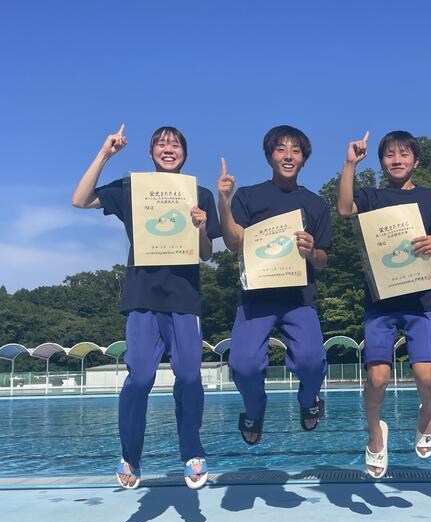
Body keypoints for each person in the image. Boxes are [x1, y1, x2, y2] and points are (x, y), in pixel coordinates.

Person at [71, 124, 220, 490]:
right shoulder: (132, 188)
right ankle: (131, 456)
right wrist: (105, 154)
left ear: (184, 153)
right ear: (151, 152)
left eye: (175, 144)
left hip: (184, 297)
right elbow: (80, 200)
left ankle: (192, 452)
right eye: (161, 144)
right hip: (141, 297)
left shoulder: (199, 193)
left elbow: (206, 253)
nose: (168, 149)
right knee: (139, 379)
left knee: (189, 376)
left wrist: (201, 226)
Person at [337, 130, 431, 478]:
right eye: (389, 155)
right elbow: (344, 209)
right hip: (380, 300)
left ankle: (426, 414)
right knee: (377, 378)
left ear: (416, 161)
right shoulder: (371, 196)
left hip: (420, 300)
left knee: (425, 374)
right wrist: (350, 164)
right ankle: (375, 433)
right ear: (381, 162)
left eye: (404, 154)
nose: (397, 160)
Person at [217, 125, 330, 445]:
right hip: (256, 298)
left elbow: (324, 259)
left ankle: (309, 399)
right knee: (244, 365)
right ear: (269, 156)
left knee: (312, 361)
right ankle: (255, 410)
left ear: (304, 158)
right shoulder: (249, 196)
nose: (288, 156)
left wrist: (312, 251)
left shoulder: (316, 204)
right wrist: (224, 202)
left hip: (298, 298)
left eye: (296, 150)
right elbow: (234, 242)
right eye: (281, 149)